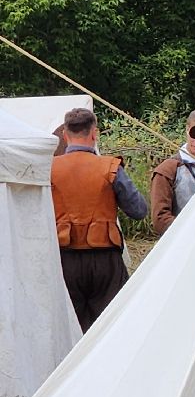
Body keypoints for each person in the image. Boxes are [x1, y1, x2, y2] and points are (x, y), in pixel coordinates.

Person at [50, 107, 149, 331]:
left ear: (65, 135)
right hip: (105, 260)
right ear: (94, 133)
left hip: (65, 259)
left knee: (70, 330)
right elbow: (139, 210)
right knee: (111, 328)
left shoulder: (49, 170)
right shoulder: (110, 167)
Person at [149, 107, 195, 237]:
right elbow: (160, 219)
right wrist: (192, 233)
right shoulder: (168, 170)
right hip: (181, 242)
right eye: (194, 134)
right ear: (186, 130)